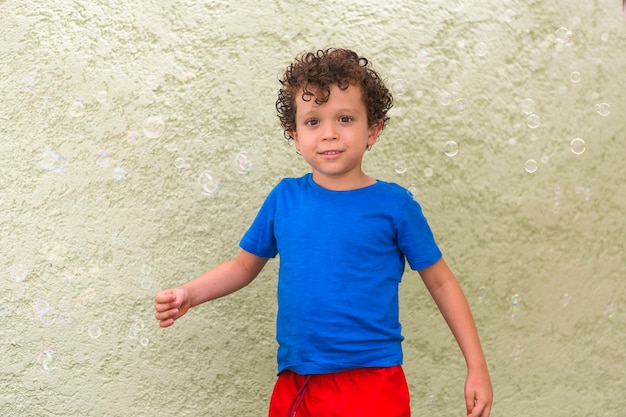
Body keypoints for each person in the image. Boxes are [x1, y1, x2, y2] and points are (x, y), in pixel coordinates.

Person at [154, 48, 493, 417]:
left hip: (373, 384)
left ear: (373, 130)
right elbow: (242, 267)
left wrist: (476, 367)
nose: (329, 133)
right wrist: (191, 293)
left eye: (345, 118)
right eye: (313, 122)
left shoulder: (395, 206)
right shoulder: (284, 199)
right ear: (295, 136)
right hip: (297, 384)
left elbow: (441, 283)